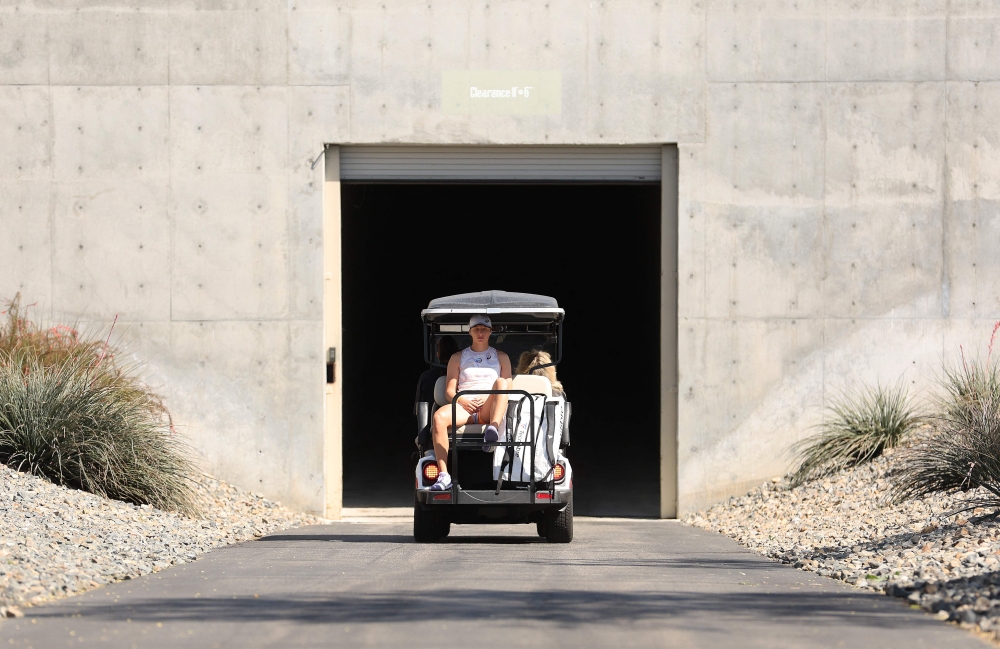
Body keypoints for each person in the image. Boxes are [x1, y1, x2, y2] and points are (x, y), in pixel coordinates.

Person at [426, 315, 512, 491]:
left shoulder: (501, 356)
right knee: (438, 417)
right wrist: (462, 400)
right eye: (477, 329)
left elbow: (507, 386)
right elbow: (450, 391)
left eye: (484, 329)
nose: (480, 333)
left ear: (490, 332)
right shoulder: (457, 357)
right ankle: (444, 475)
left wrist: (488, 395)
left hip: (488, 407)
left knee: (502, 383)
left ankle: (492, 430)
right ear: (470, 332)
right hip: (464, 405)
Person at [414, 336, 460, 451]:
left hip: (437, 425)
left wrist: (423, 438)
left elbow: (420, 407)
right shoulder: (464, 375)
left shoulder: (427, 377)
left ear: (438, 354)